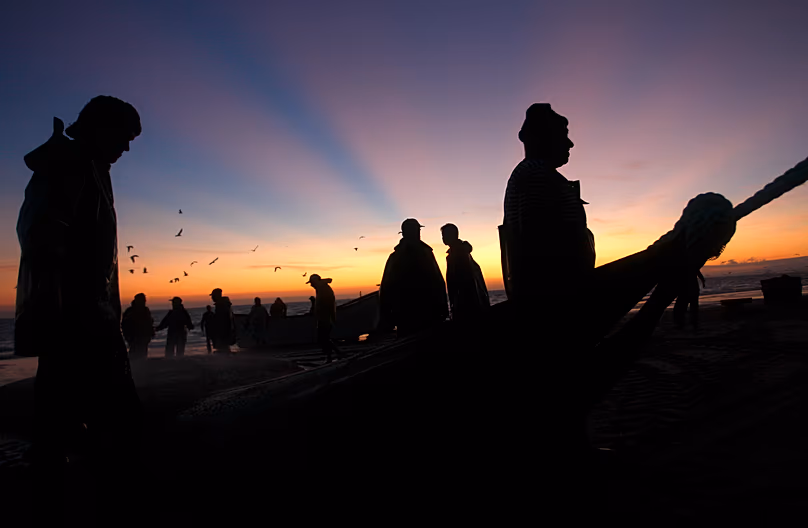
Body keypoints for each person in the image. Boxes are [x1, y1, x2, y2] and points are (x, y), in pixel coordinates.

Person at [496, 102, 737, 521]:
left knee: (565, 397)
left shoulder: (533, 179)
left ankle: (572, 454)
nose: (570, 142)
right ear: (537, 138)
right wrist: (663, 259)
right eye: (564, 133)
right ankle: (572, 471)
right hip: (555, 306)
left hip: (551, 301)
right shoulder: (538, 180)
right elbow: (548, 255)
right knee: (569, 387)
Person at [14, 96, 144, 523]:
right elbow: (44, 238)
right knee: (100, 420)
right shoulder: (69, 164)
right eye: (123, 138)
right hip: (78, 320)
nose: (126, 149)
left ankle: (66, 495)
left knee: (65, 417)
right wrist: (63, 313)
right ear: (98, 128)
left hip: (89, 317)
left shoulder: (89, 169)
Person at [379, 219, 448, 338]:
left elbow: (386, 288)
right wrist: (443, 308)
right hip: (427, 314)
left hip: (406, 315)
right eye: (417, 230)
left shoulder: (395, 257)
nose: (419, 233)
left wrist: (386, 317)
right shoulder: (426, 254)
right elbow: (438, 282)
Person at [440, 223, 490, 322]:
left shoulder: (458, 253)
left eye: (444, 235)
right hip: (467, 303)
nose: (443, 238)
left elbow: (461, 281)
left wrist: (457, 303)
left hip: (466, 304)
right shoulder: (459, 252)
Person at [306, 274, 343, 363]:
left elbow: (327, 304)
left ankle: (330, 356)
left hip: (325, 317)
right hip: (323, 317)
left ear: (315, 282)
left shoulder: (323, 289)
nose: (311, 285)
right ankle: (335, 353)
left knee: (323, 337)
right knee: (324, 337)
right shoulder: (321, 288)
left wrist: (329, 317)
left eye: (311, 283)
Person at [121, 293, 155, 360]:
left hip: (143, 336)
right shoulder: (131, 311)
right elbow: (125, 324)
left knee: (143, 353)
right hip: (134, 337)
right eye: (143, 300)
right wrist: (128, 336)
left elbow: (149, 322)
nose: (144, 301)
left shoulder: (145, 310)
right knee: (134, 353)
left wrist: (150, 332)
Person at [210, 288, 235, 353]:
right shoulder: (223, 304)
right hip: (224, 330)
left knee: (223, 347)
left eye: (213, 296)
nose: (212, 298)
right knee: (224, 347)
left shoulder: (221, 305)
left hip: (223, 330)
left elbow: (222, 319)